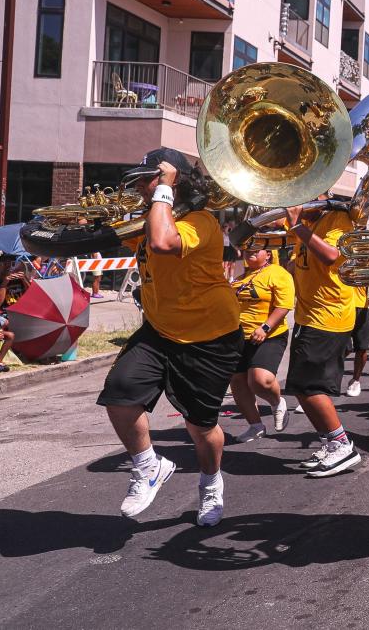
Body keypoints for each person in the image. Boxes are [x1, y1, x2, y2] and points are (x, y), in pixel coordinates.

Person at [94, 148, 242, 526]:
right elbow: (117, 235)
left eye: (151, 179)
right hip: (160, 329)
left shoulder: (201, 221)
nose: (143, 187)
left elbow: (162, 241)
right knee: (120, 393)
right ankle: (149, 467)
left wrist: (165, 190)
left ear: (174, 185)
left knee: (200, 425)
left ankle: (211, 483)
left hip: (209, 337)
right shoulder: (151, 216)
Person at [285, 198, 362, 478]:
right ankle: (330, 442)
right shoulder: (306, 220)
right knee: (300, 387)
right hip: (308, 317)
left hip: (328, 317)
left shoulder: (338, 219)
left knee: (311, 387)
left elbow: (331, 255)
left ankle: (343, 446)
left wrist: (296, 226)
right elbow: (300, 264)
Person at [229, 244, 294, 442]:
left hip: (269, 334)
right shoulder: (240, 277)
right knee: (238, 382)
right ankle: (255, 426)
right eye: (247, 250)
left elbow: (284, 305)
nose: (251, 253)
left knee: (260, 380)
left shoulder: (277, 273)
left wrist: (265, 327)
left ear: (268, 254)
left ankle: (276, 402)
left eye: (256, 249)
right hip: (238, 337)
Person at [346, 286, 369, 396]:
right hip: (341, 306)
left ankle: (355, 380)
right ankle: (320, 388)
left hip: (361, 306)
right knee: (344, 348)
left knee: (361, 347)